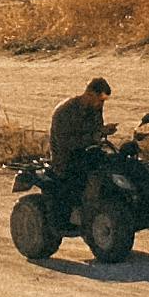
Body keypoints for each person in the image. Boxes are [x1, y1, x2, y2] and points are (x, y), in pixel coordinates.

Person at [45, 75, 114, 222]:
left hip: (87, 151)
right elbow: (66, 143)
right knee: (81, 177)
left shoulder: (94, 109)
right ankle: (78, 214)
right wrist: (95, 137)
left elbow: (96, 129)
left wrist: (103, 131)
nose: (101, 104)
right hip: (66, 157)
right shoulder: (66, 111)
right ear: (90, 94)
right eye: (100, 100)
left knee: (112, 165)